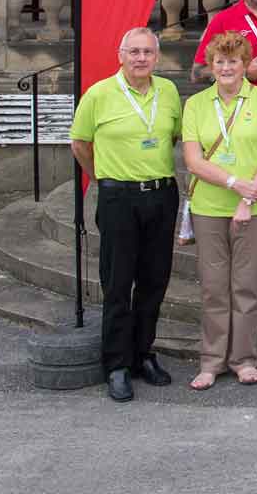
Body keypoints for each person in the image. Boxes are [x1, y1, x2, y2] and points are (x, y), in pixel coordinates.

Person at [69, 28, 183, 401]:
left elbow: (173, 138)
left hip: (161, 195)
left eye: (147, 52)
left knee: (154, 280)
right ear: (121, 55)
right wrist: (103, 177)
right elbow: (80, 144)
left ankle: (142, 354)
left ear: (157, 57)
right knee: (118, 282)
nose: (140, 58)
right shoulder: (99, 94)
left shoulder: (167, 92)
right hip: (119, 197)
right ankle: (116, 364)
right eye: (133, 52)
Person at [180, 31, 257, 390]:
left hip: (256, 206)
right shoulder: (196, 105)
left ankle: (243, 359)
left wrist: (247, 199)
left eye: (233, 61)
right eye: (219, 62)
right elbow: (193, 160)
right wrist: (234, 184)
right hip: (210, 206)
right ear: (211, 67)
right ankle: (211, 360)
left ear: (245, 66)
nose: (226, 67)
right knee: (212, 287)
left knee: (244, 286)